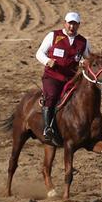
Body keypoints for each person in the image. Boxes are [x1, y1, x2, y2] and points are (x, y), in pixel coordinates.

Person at [35, 12, 91, 145]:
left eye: (75, 24)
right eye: (70, 23)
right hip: (52, 76)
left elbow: (89, 58)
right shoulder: (53, 36)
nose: (72, 26)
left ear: (78, 25)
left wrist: (85, 62)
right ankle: (47, 128)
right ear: (65, 23)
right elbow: (39, 53)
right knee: (52, 96)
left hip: (71, 78)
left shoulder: (83, 42)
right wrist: (47, 61)